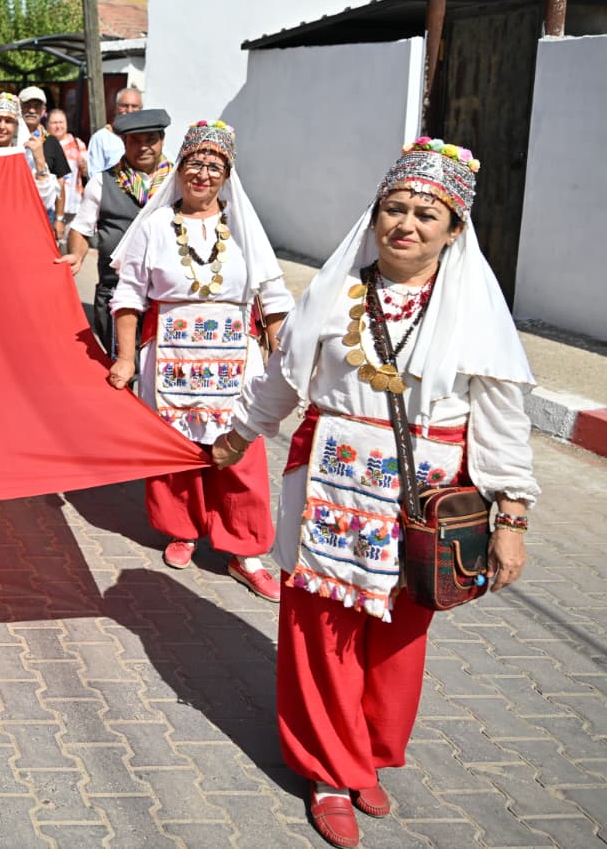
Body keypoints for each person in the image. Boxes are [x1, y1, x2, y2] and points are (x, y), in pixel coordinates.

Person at [210, 138, 537, 849]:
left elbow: (502, 420)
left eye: (426, 214)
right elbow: (282, 377)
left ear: (454, 231)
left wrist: (511, 517)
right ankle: (329, 771)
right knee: (320, 630)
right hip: (328, 488)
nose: (406, 224)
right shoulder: (333, 293)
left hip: (424, 502)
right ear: (375, 214)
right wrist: (236, 435)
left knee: (399, 636)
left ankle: (369, 752)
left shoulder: (475, 310)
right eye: (395, 208)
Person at [105, 121, 293, 600]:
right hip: (169, 358)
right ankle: (182, 529)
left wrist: (283, 363)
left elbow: (273, 299)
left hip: (235, 361)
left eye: (213, 166)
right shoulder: (154, 227)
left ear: (227, 176)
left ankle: (245, 552)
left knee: (240, 454)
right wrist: (125, 359)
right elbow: (128, 297)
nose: (202, 174)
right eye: (194, 163)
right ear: (180, 169)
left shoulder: (244, 228)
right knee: (176, 452)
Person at [63, 107, 173, 356]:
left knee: (163, 368)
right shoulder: (102, 182)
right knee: (122, 368)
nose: (143, 147)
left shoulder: (178, 182)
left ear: (162, 140)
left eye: (150, 140)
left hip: (166, 294)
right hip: (117, 292)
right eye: (135, 141)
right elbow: (81, 228)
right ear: (124, 143)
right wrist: (77, 255)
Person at [0, 92, 71, 236]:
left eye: (8, 121)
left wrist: (40, 160)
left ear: (16, 127)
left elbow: (44, 201)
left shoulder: (25, 157)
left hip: (19, 230)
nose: (2, 126)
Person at [89, 86, 144, 174]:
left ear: (141, 109)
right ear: (116, 107)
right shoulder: (101, 138)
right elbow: (95, 175)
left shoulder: (147, 137)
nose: (129, 110)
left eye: (134, 106)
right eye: (124, 105)